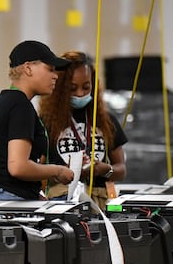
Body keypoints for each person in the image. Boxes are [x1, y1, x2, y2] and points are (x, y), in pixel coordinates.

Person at [0, 40, 74, 206]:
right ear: (28, 68)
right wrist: (58, 170)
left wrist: (29, 191)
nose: (56, 75)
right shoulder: (21, 106)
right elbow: (18, 167)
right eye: (50, 69)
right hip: (9, 201)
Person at [38, 51, 127, 210]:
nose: (80, 94)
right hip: (64, 202)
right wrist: (61, 172)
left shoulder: (106, 121)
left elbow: (121, 170)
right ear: (60, 89)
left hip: (103, 202)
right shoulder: (47, 122)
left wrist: (105, 170)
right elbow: (37, 169)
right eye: (72, 88)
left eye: (86, 87)